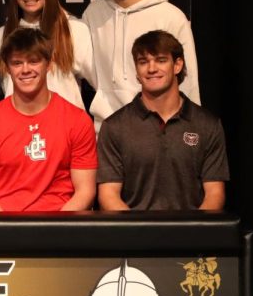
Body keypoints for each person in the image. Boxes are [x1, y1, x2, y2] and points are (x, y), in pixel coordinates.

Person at [0, 28, 97, 212]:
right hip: (4, 229)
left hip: (60, 229)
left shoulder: (77, 121)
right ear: (7, 67)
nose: (25, 69)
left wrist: (52, 231)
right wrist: (10, 231)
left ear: (49, 64)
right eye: (17, 63)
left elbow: (85, 191)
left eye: (34, 61)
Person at [97, 30, 228, 211]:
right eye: (143, 62)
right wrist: (138, 235)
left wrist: (193, 233)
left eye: (160, 60)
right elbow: (108, 194)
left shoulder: (207, 125)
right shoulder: (114, 127)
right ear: (136, 70)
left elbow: (215, 193)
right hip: (134, 236)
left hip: (191, 235)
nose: (151, 69)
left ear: (177, 65)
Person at [82, 0, 200, 128]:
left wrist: (190, 130)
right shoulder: (93, 14)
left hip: (160, 128)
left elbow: (189, 81)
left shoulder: (170, 15)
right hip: (107, 130)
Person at [0, 0, 92, 110]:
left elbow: (101, 85)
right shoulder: (1, 36)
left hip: (64, 129)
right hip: (17, 130)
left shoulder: (74, 30)